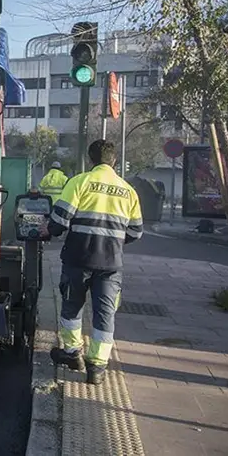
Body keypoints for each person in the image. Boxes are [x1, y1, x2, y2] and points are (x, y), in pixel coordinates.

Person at [48, 140, 143, 385]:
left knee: (72, 307)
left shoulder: (79, 182)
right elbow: (136, 231)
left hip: (78, 259)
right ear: (114, 161)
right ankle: (97, 367)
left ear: (90, 159)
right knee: (105, 314)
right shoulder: (128, 190)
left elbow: (59, 220)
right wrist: (113, 240)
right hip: (111, 264)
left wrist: (49, 230)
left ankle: (72, 354)